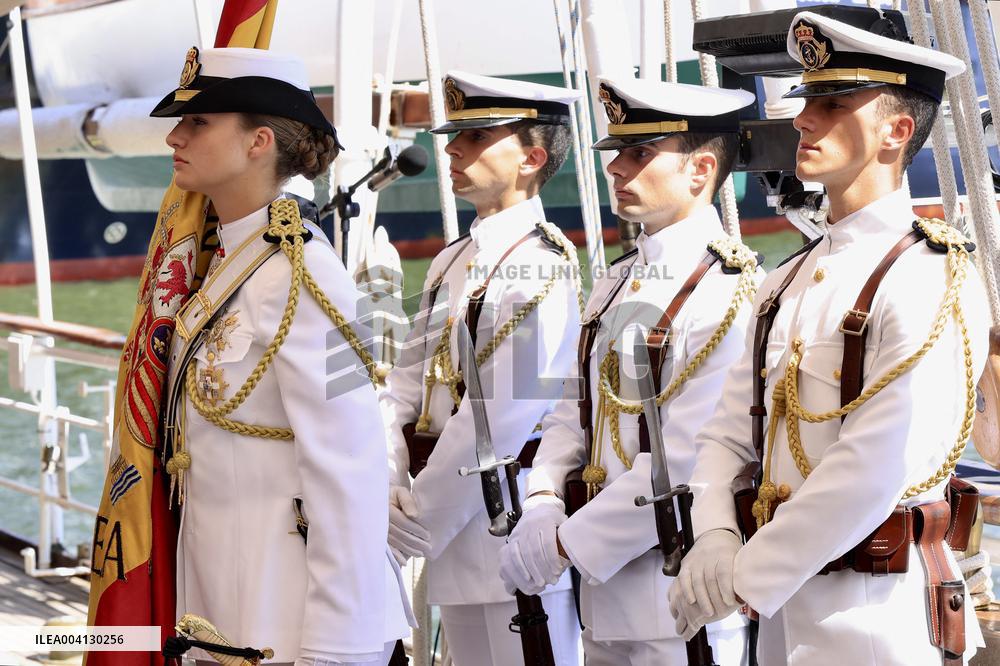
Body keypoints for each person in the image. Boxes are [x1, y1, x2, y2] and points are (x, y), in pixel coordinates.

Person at [669, 11, 990, 666]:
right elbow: (726, 434)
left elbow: (874, 467)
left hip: (881, 620)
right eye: (809, 98)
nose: (804, 118)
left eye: (833, 101)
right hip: (787, 617)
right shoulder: (782, 281)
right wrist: (714, 535)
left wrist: (745, 575)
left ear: (897, 131)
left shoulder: (931, 274)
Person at [152, 46, 411, 665]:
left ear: (257, 142)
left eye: (198, 123)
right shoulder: (230, 264)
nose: (174, 138)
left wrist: (335, 650)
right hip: (225, 611)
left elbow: (350, 469)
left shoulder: (305, 277)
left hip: (294, 623)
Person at [497, 76, 762, 665]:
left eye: (640, 153)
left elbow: (689, 456)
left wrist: (567, 542)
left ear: (700, 171)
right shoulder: (616, 282)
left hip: (680, 599)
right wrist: (542, 502)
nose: (616, 168)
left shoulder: (728, 292)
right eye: (617, 152)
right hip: (602, 598)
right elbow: (571, 412)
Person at [379, 71, 583, 666]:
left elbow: (501, 420)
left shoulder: (539, 267)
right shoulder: (452, 261)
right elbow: (402, 390)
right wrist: (389, 482)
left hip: (507, 531)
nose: (452, 150)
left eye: (475, 136)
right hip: (447, 533)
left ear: (532, 159)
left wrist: (414, 522)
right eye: (455, 135)